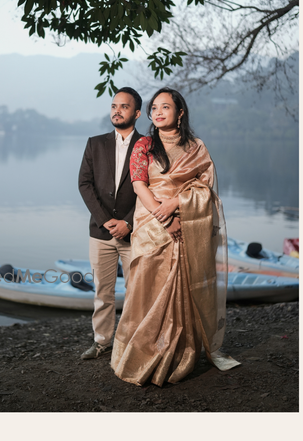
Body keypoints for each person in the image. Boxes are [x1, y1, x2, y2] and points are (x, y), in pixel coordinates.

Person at [111, 87, 240, 386]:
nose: (158, 112)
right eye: (154, 107)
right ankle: (143, 353)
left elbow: (205, 188)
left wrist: (176, 204)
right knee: (147, 289)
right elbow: (139, 185)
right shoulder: (144, 145)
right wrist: (165, 217)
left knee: (184, 288)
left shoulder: (196, 147)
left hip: (188, 223)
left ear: (180, 113)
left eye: (165, 107)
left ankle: (180, 351)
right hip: (151, 225)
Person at [78, 87, 143, 360]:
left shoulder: (147, 145)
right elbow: (84, 184)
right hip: (100, 233)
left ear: (137, 113)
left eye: (124, 106)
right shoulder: (95, 143)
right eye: (114, 106)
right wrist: (106, 221)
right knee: (103, 292)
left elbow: (153, 189)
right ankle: (102, 341)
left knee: (136, 292)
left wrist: (128, 222)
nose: (117, 110)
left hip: (135, 233)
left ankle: (132, 342)